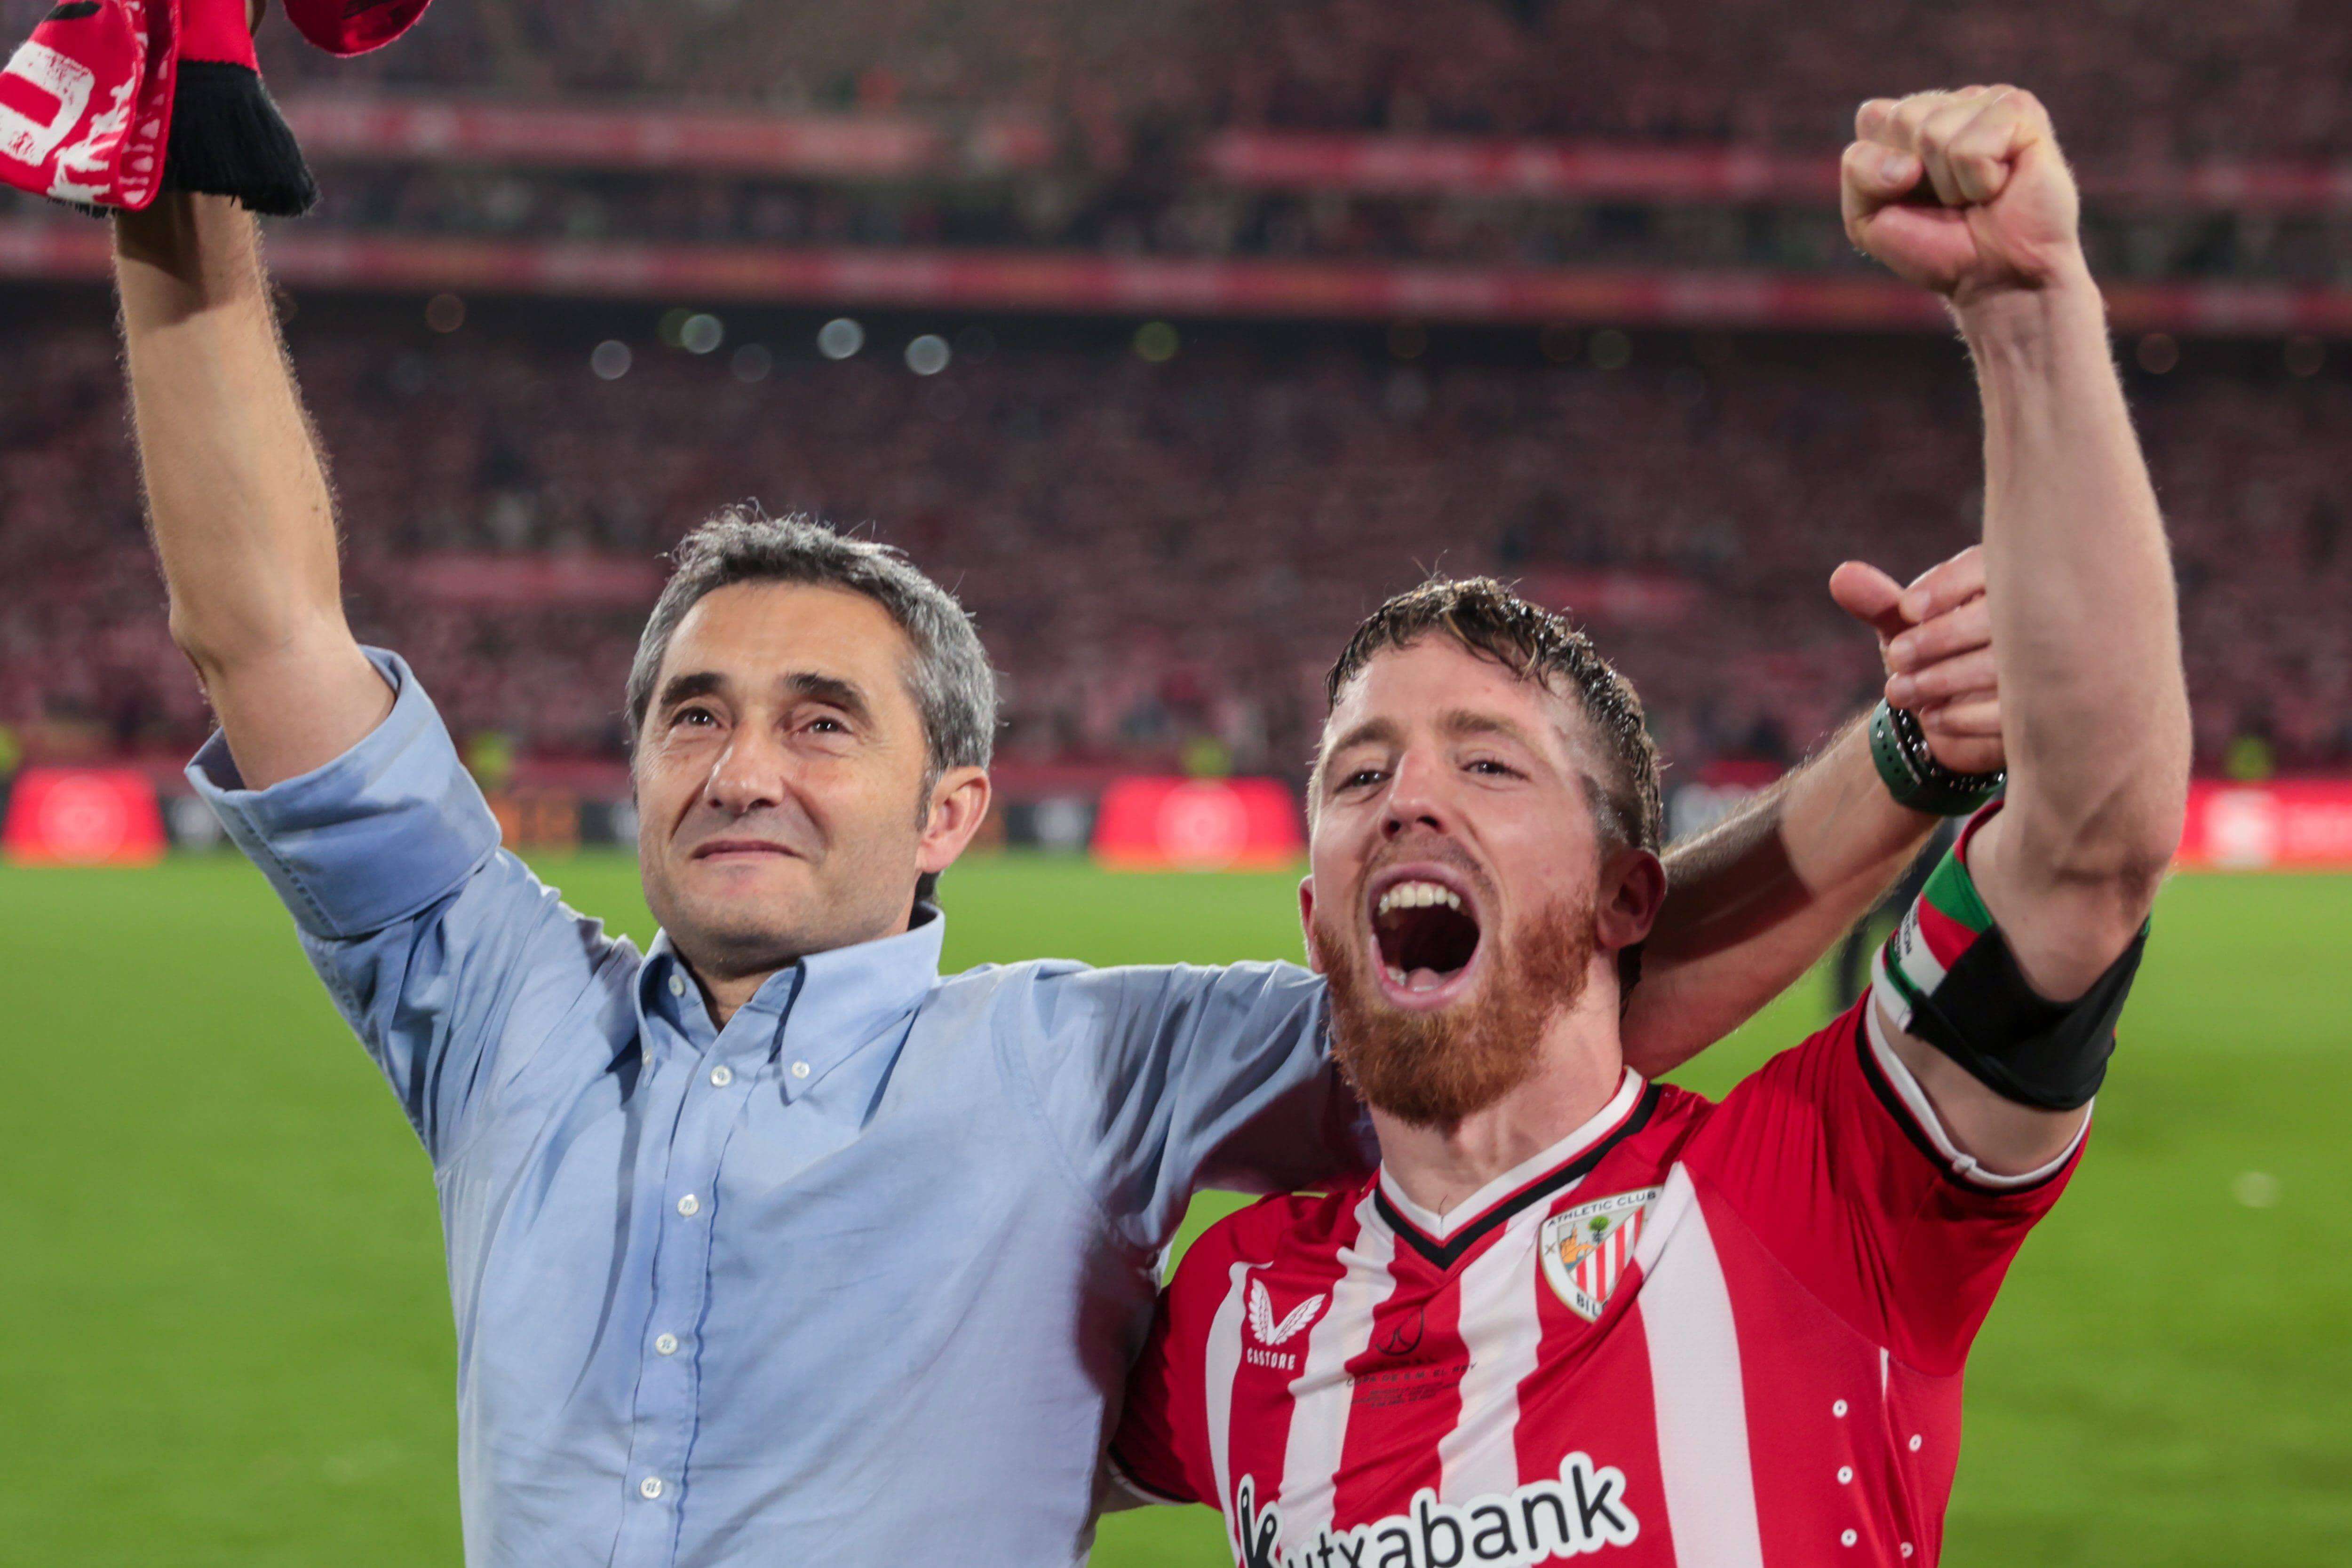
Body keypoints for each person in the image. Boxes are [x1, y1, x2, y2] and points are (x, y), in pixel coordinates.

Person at [114, 31, 2008, 1567]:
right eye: (691, 715)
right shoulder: (501, 1021)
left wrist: (1905, 766)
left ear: (951, 809)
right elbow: (265, 636)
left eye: (817, 720)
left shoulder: (1090, 1069)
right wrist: (177, 131)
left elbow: (1553, 997)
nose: (741, 767)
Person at [1108, 87, 2186, 1568]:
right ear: (1313, 917)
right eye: (1358, 778)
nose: (1407, 795)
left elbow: (2093, 849)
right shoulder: (1229, 1317)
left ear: (1629, 898)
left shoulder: (1820, 1198)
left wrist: (2024, 309)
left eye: (1488, 767)